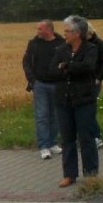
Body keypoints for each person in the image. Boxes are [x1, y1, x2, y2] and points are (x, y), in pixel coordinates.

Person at [50, 15, 100, 187]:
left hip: (84, 99)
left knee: (86, 137)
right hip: (63, 100)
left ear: (77, 33)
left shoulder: (91, 48)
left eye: (67, 31)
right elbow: (53, 70)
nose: (64, 34)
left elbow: (88, 67)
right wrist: (66, 68)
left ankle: (91, 173)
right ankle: (69, 174)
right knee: (67, 138)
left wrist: (66, 67)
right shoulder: (61, 50)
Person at [22, 19, 65, 160]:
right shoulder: (33, 44)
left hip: (57, 84)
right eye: (38, 29)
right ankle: (44, 146)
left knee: (55, 115)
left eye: (40, 29)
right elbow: (26, 62)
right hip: (40, 84)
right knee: (41, 116)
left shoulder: (61, 43)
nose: (38, 32)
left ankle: (53, 143)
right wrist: (32, 80)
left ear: (49, 29)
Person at [88, 25, 103, 149]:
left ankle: (96, 136)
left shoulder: (100, 44)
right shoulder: (79, 44)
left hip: (94, 82)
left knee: (90, 109)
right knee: (84, 110)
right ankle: (87, 136)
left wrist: (98, 78)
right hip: (80, 83)